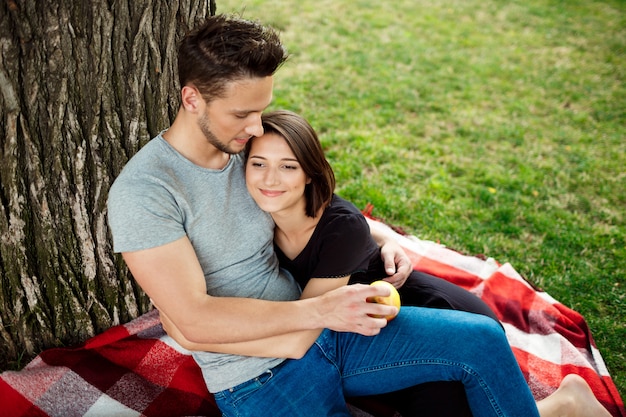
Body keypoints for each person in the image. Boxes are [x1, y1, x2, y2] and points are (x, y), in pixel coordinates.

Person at [107, 15, 611, 417]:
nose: (255, 128)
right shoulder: (146, 192)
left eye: (262, 110)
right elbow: (193, 319)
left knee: (481, 339)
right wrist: (319, 312)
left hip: (329, 337)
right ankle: (561, 408)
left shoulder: (247, 150)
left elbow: (313, 204)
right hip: (259, 376)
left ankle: (564, 402)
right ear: (191, 99)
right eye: (241, 115)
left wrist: (378, 236)